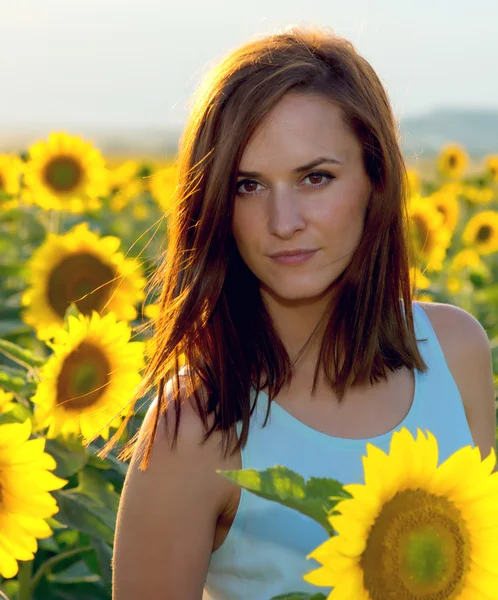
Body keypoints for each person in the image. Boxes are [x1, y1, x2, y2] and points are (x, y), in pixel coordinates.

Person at [111, 25, 496, 600]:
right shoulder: (193, 428)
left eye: (315, 177)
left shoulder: (454, 351)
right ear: (215, 202)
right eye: (248, 185)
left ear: (376, 180)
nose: (283, 221)